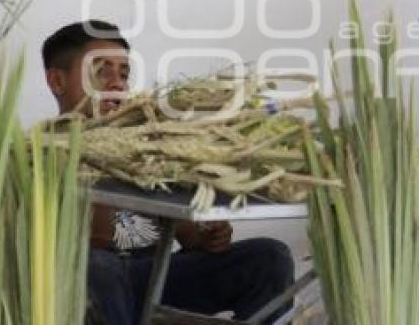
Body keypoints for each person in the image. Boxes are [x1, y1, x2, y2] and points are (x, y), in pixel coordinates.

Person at [42, 20, 294, 325]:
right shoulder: (41, 152)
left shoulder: (148, 145)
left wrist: (208, 235)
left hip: (149, 277)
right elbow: (92, 241)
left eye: (124, 74)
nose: (116, 83)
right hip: (81, 287)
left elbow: (188, 238)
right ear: (57, 82)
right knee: (98, 268)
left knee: (270, 258)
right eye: (100, 71)